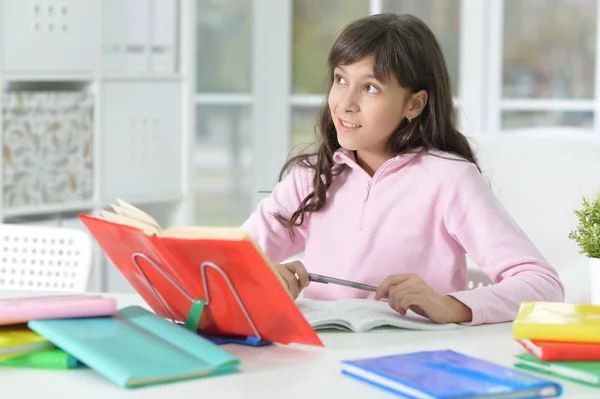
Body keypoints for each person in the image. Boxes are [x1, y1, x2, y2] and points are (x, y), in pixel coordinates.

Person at [241, 13, 564, 325]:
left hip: (416, 357)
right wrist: (260, 276)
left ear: (415, 104)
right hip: (321, 352)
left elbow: (542, 285)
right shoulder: (313, 177)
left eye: (370, 88)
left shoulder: (450, 179)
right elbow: (221, 262)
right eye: (341, 80)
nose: (345, 103)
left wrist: (449, 305)